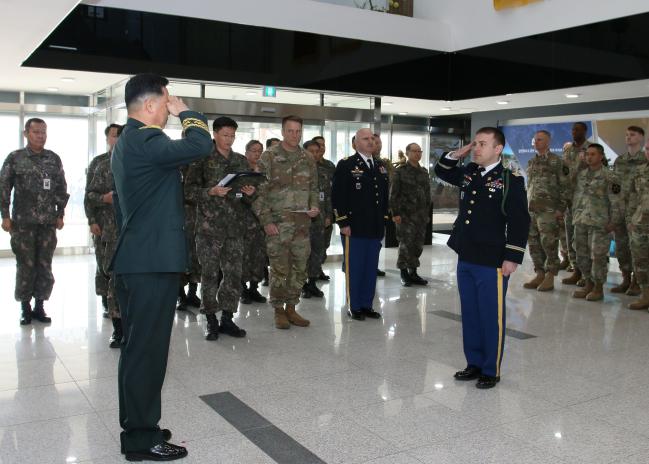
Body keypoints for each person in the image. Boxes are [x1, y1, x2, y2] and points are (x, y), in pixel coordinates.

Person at [110, 73, 213, 461]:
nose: (170, 110)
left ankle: (140, 425)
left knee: (139, 350)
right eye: (167, 103)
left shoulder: (128, 142)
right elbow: (200, 143)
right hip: (149, 263)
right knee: (147, 353)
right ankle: (140, 438)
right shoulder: (145, 138)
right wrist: (187, 111)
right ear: (151, 105)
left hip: (140, 259)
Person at [434, 127, 530, 389]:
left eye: (483, 144)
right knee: (471, 313)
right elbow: (441, 171)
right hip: (466, 254)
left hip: (493, 260)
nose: (476, 148)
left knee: (491, 315)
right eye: (475, 143)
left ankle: (491, 369)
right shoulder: (469, 172)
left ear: (498, 149)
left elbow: (520, 222)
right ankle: (473, 363)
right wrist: (457, 153)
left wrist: (512, 257)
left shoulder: (510, 180)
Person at [185, 116, 255, 340]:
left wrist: (250, 194)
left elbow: (248, 195)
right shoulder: (202, 159)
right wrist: (211, 192)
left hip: (235, 227)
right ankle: (211, 319)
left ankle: (227, 317)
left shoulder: (241, 161)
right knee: (210, 274)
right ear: (214, 134)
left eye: (233, 135)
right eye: (225, 135)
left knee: (234, 274)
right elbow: (188, 191)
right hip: (209, 229)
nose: (229, 139)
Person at [1, 117, 69, 325]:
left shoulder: (53, 159)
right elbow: (3, 187)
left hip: (47, 224)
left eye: (43, 132)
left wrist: (60, 214)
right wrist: (5, 215)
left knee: (44, 265)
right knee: (25, 265)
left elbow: (61, 188)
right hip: (23, 224)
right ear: (26, 134)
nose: (41, 136)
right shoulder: (15, 158)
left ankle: (40, 305)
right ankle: (25, 307)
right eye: (36, 132)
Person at [253, 115, 319, 329]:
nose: (294, 135)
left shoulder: (307, 157)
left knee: (300, 267)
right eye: (290, 131)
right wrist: (266, 221)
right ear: (283, 132)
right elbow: (258, 192)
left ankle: (292, 307)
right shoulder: (269, 156)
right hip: (278, 224)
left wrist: (314, 206)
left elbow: (314, 188)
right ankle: (279, 310)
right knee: (280, 269)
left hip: (302, 225)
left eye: (298, 131)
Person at [332, 128, 389, 321]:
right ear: (356, 143)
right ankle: (354, 306)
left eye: (372, 138)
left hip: (374, 227)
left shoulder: (380, 166)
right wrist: (343, 222)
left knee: (370, 268)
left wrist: (385, 220)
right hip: (354, 228)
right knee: (354, 268)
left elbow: (383, 198)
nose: (370, 142)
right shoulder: (346, 165)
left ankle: (366, 304)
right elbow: (338, 197)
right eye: (365, 139)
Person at [86, 124, 124, 347]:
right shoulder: (102, 164)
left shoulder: (139, 163)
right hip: (110, 228)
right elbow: (89, 195)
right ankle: (117, 326)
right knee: (111, 275)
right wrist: (94, 217)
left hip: (136, 232)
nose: (118, 140)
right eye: (115, 136)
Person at [571, 144, 621, 301]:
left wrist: (614, 222)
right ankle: (588, 284)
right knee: (582, 255)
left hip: (600, 223)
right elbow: (577, 196)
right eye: (587, 154)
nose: (589, 157)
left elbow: (616, 201)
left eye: (593, 154)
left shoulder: (609, 176)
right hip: (581, 221)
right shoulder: (582, 174)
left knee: (598, 256)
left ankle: (598, 288)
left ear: (601, 156)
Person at [523, 130, 568, 292]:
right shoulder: (531, 162)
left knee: (549, 243)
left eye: (540, 140)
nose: (536, 142)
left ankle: (550, 275)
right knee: (533, 243)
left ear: (548, 142)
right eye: (535, 140)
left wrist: (560, 209)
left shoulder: (557, 162)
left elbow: (565, 187)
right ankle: (540, 273)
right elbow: (530, 186)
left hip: (549, 210)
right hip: (532, 209)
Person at [611, 126, 647, 296]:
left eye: (632, 135)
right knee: (621, 247)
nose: (628, 138)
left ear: (641, 138)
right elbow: (614, 187)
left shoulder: (645, 160)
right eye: (626, 135)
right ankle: (625, 278)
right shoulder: (620, 160)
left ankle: (637, 282)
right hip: (620, 210)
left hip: (638, 214)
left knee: (637, 249)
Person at [390, 142, 432, 287]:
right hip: (405, 215)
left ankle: (413, 272)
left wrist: (427, 213)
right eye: (414, 151)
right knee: (405, 244)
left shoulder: (424, 172)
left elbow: (427, 195)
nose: (417, 154)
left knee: (418, 245)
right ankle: (403, 273)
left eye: (419, 151)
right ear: (407, 153)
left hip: (420, 216)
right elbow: (393, 194)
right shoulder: (400, 171)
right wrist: (395, 213)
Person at [561, 122, 590, 279]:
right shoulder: (567, 149)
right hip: (569, 200)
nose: (574, 132)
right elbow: (563, 172)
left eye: (577, 129)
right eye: (572, 129)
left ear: (585, 131)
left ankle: (586, 274)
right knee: (569, 234)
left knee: (582, 239)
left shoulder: (592, 149)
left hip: (585, 202)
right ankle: (575, 268)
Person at [241, 140, 268, 304]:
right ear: (246, 152)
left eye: (260, 151)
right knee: (244, 256)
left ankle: (254, 288)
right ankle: (243, 290)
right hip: (244, 220)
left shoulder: (264, 173)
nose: (257, 154)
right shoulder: (241, 172)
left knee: (259, 256)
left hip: (261, 221)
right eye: (253, 151)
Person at [301, 140, 328, 298]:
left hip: (320, 218)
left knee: (317, 251)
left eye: (317, 151)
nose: (315, 154)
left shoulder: (324, 171)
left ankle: (312, 282)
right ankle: (303, 284)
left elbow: (329, 195)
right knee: (303, 253)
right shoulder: (300, 170)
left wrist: (329, 215)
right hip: (302, 218)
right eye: (311, 151)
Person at [176, 157, 202, 312]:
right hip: (178, 216)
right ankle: (181, 296)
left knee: (197, 257)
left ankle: (193, 293)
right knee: (179, 257)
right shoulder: (177, 164)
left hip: (199, 216)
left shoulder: (201, 163)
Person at [626, 137, 649, 310]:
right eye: (647, 149)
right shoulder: (641, 171)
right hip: (641, 223)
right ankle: (645, 295)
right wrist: (632, 219)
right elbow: (633, 198)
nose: (648, 152)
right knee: (640, 261)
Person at [312, 135, 336, 281]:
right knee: (312, 247)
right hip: (310, 215)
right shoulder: (305, 166)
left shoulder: (329, 166)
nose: (321, 148)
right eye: (318, 146)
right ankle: (310, 276)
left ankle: (317, 269)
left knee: (323, 245)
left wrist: (330, 214)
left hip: (326, 212)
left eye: (323, 145)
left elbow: (332, 191)